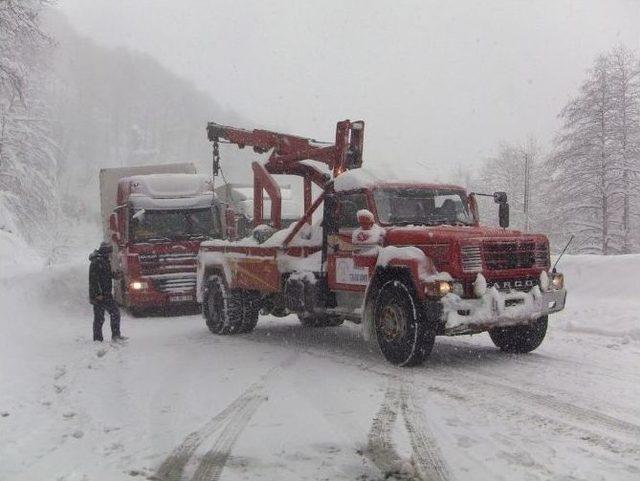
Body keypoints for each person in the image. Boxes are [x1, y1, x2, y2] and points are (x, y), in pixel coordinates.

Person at [89, 242, 125, 342]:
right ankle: (98, 339)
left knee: (114, 313)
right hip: (99, 296)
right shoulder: (96, 262)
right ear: (106, 251)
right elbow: (93, 280)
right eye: (110, 251)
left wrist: (115, 275)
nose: (111, 254)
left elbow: (106, 275)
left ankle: (115, 335)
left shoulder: (104, 260)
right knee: (100, 318)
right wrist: (97, 294)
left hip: (107, 294)